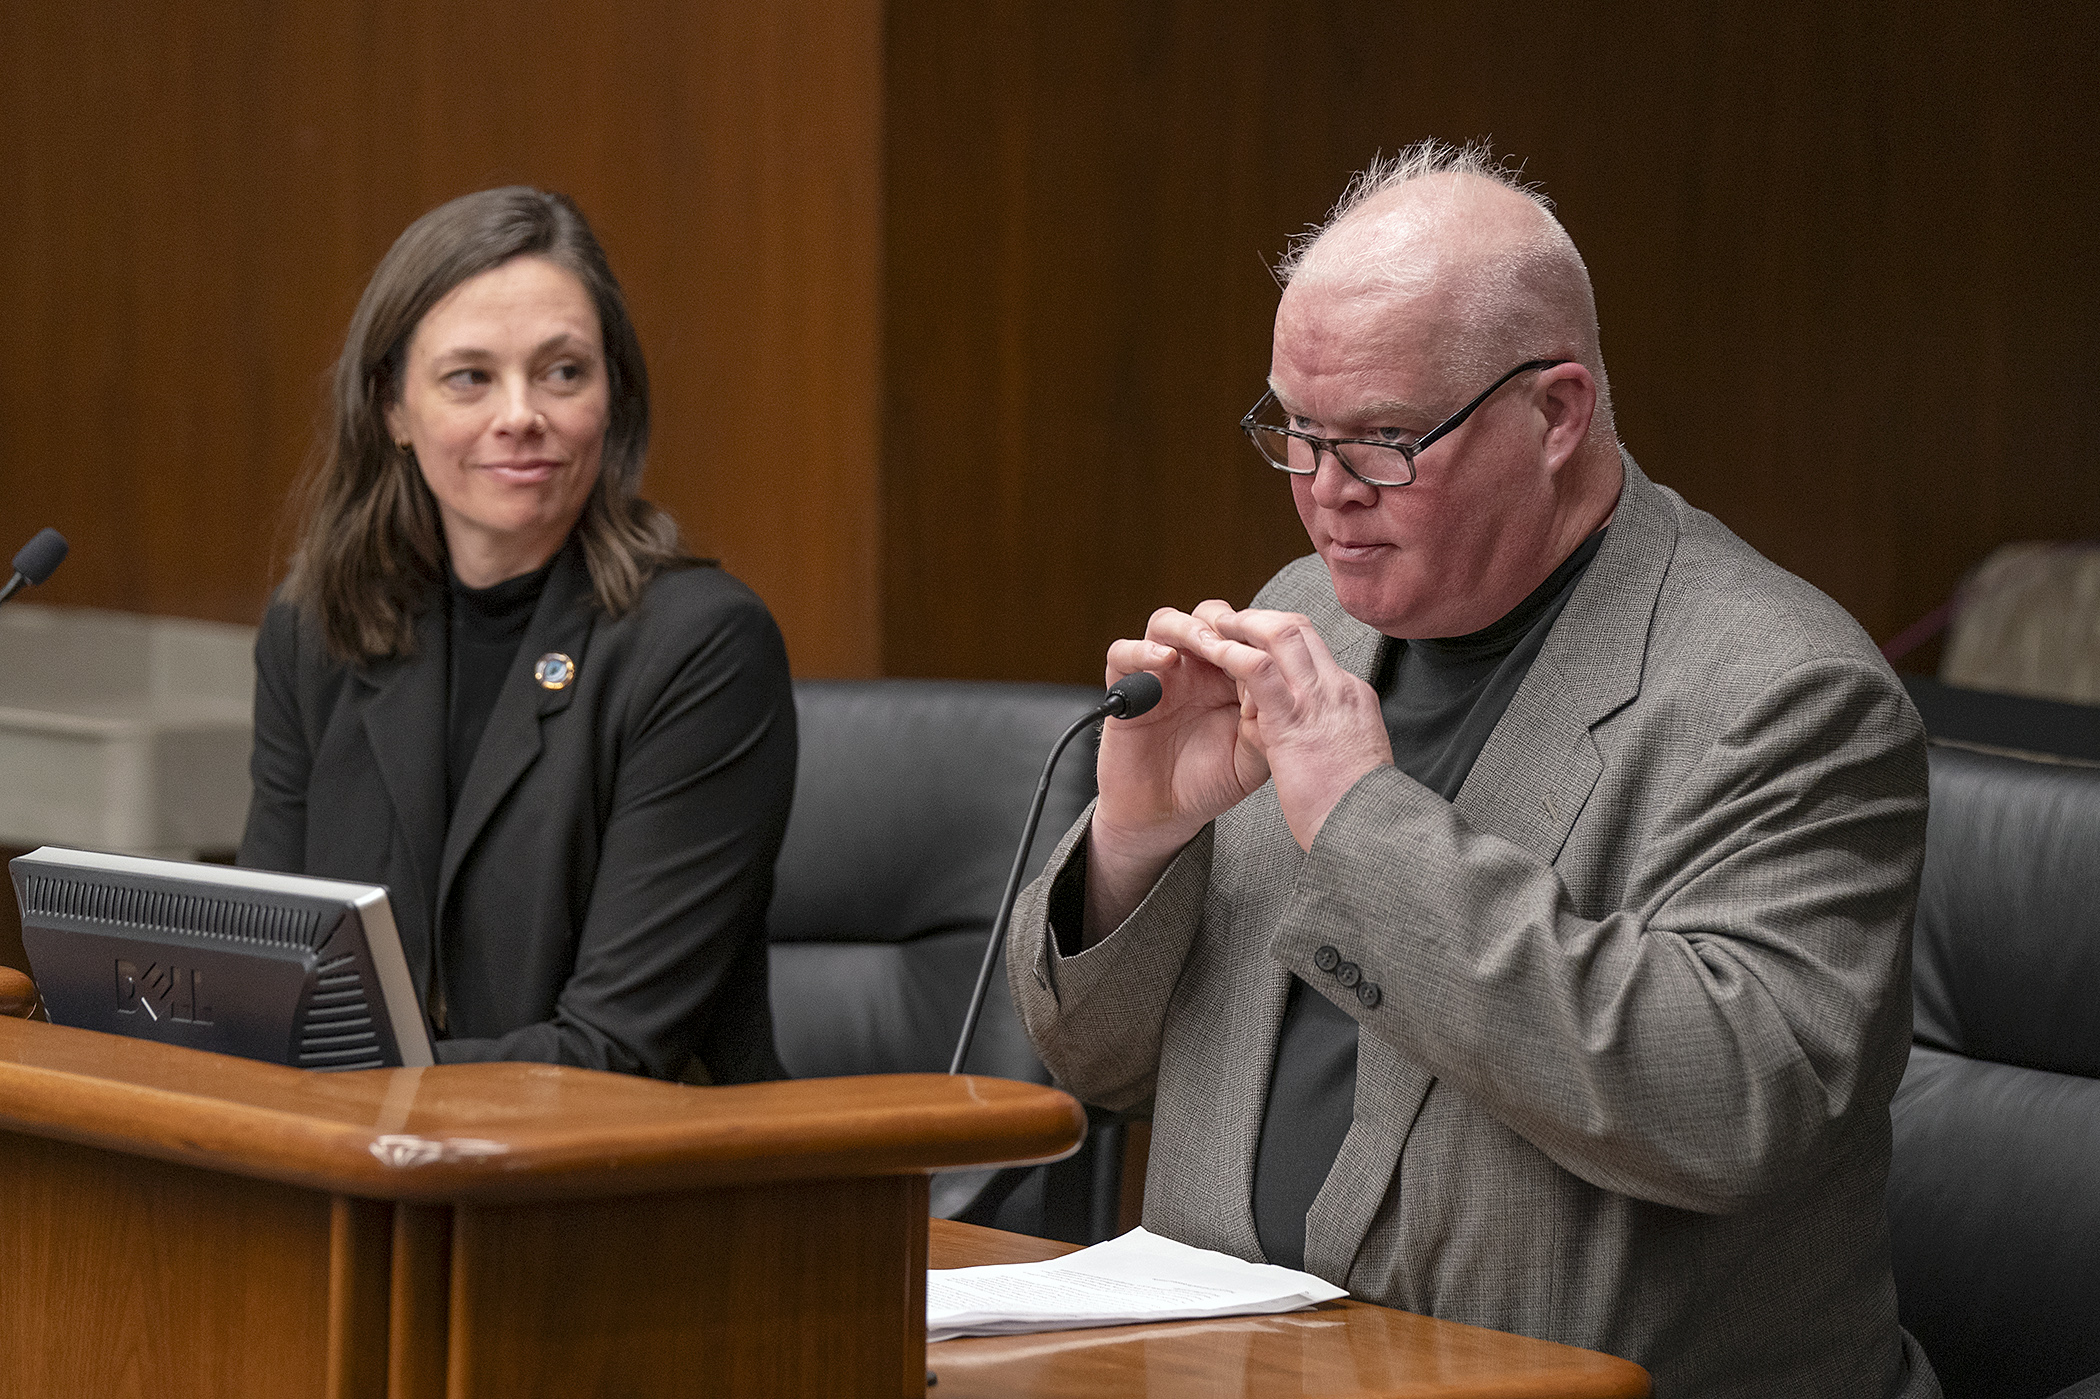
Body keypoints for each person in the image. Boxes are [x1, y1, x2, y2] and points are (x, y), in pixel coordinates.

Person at [1007, 143, 1938, 1396]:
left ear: (1555, 415)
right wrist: (1134, 845)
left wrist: (1360, 820)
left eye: (1385, 440)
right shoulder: (1307, 621)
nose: (1326, 495)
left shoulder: (1783, 694)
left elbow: (1732, 1108)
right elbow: (1100, 1069)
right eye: (1297, 431)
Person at [241, 187, 794, 1084]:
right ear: (392, 408)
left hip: (638, 1189)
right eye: (470, 377)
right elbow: (261, 981)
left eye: (562, 371)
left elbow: (613, 1054)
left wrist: (324, 1080)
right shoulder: (317, 632)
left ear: (612, 395)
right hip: (370, 1173)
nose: (519, 414)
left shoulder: (702, 647)